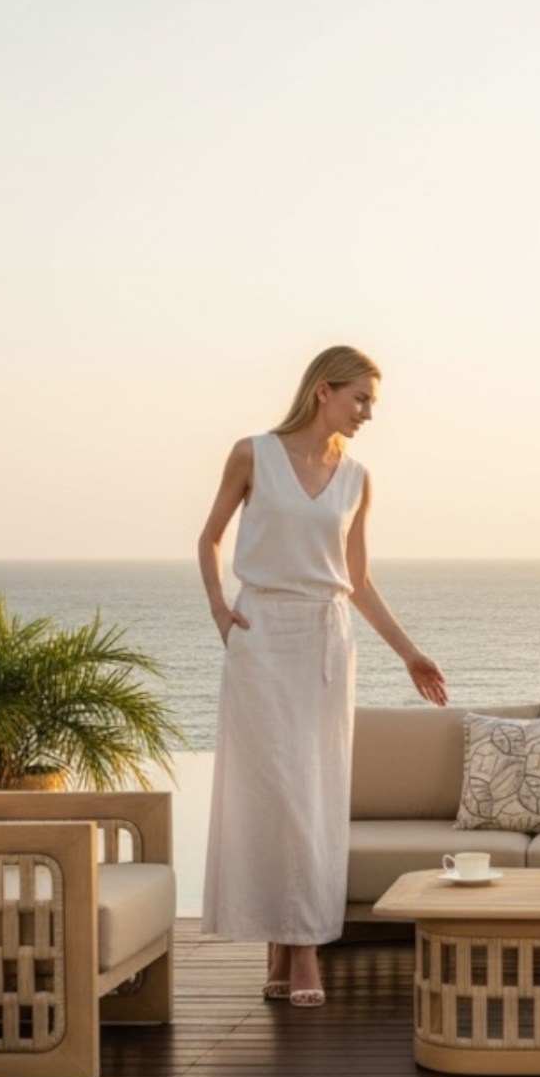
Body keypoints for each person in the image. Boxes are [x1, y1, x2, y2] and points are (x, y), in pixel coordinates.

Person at [198, 347, 447, 1007]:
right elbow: (209, 538)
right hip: (260, 639)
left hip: (326, 641)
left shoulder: (358, 477)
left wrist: (408, 652)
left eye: (372, 402)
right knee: (271, 794)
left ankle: (291, 947)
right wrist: (222, 612)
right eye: (360, 399)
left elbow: (357, 579)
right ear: (323, 393)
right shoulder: (252, 454)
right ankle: (295, 945)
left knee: (311, 794)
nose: (368, 413)